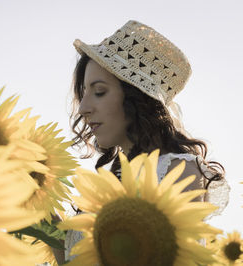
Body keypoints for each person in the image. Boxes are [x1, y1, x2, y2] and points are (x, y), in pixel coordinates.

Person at [58, 20, 230, 263]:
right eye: (83, 94)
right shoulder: (111, 181)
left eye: (99, 92)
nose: (84, 108)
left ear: (135, 98)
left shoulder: (178, 170)